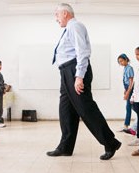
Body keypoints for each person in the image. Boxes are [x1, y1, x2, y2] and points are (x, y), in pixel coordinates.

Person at [47, 3, 121, 160]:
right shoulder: (69, 29)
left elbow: (83, 52)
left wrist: (79, 76)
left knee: (86, 108)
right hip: (66, 72)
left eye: (57, 15)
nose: (56, 19)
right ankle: (65, 147)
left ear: (65, 13)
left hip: (75, 70)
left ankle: (110, 142)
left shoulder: (75, 26)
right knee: (66, 110)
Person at [117, 53, 134, 131]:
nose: (121, 63)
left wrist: (128, 92)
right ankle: (126, 125)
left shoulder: (129, 68)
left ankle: (126, 125)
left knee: (128, 107)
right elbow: (125, 80)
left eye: (122, 61)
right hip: (127, 88)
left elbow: (131, 82)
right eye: (119, 62)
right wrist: (125, 90)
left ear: (126, 59)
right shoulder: (125, 68)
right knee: (130, 106)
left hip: (130, 88)